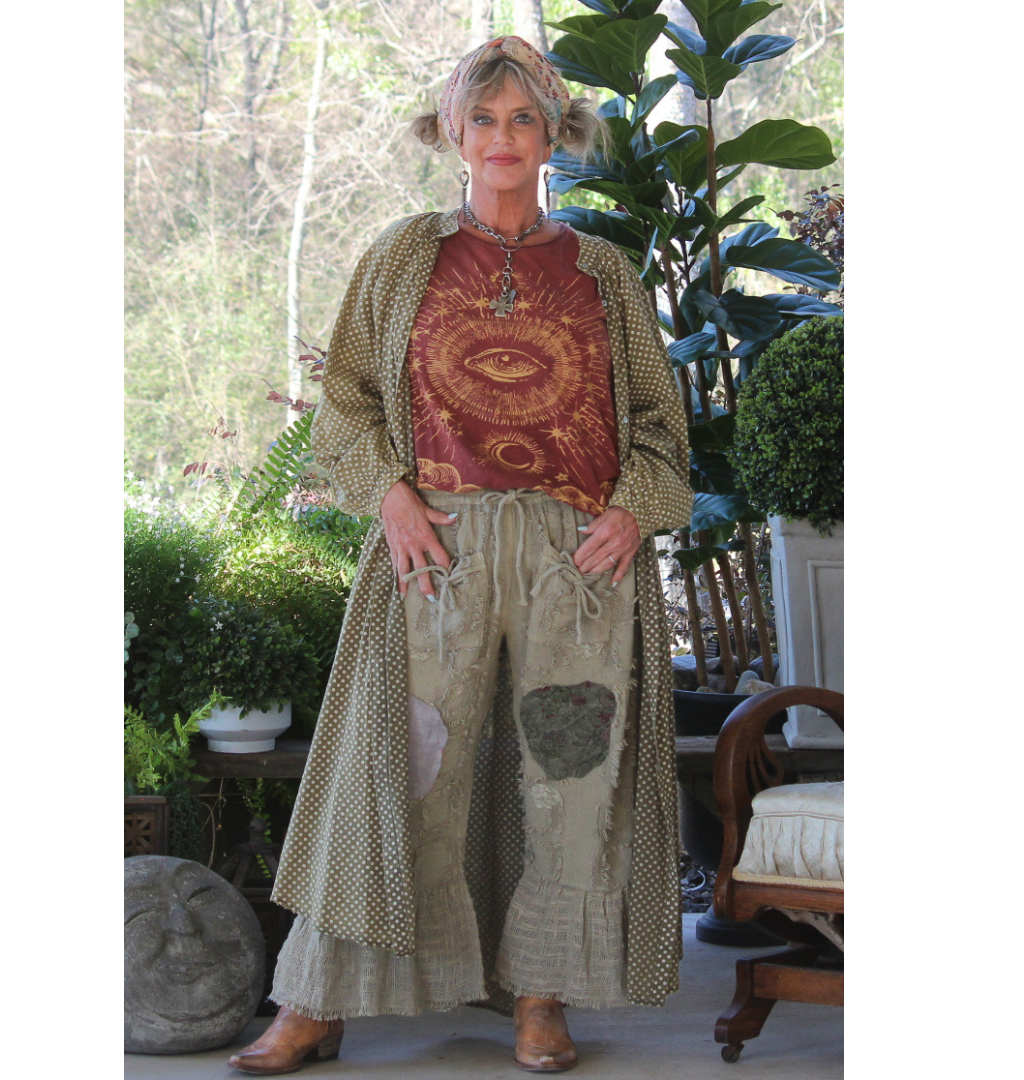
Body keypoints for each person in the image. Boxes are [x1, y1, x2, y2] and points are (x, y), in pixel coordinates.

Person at [228, 36, 693, 1076]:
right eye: (482, 119)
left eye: (523, 119)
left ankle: (541, 996)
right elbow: (346, 402)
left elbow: (662, 427)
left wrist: (632, 511)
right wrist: (389, 497)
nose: (502, 138)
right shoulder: (405, 256)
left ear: (554, 135)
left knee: (570, 775)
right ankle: (318, 1001)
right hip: (436, 550)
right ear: (451, 131)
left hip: (577, 565)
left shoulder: (603, 272)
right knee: (400, 770)